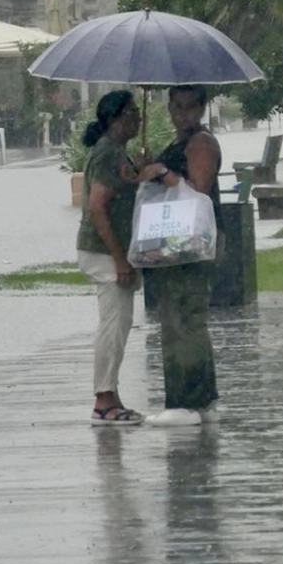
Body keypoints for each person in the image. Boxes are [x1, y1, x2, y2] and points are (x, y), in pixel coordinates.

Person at [75, 90, 171, 425]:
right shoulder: (106, 155)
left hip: (113, 250)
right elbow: (98, 206)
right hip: (104, 251)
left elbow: (124, 187)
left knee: (120, 322)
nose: (137, 118)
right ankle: (103, 400)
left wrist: (139, 171)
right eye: (131, 113)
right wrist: (120, 258)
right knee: (114, 324)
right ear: (114, 120)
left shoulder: (117, 154)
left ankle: (111, 394)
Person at [147, 84, 224, 426]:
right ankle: (198, 399)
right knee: (176, 318)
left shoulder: (201, 143)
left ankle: (188, 400)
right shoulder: (182, 142)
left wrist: (163, 173)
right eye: (176, 107)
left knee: (185, 319)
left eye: (190, 107)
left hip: (193, 243)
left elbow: (198, 189)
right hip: (176, 244)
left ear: (202, 108)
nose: (183, 114)